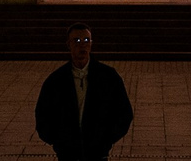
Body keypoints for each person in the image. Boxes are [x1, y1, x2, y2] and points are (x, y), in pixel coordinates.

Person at [34, 24, 133, 161]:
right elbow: (43, 115)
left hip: (98, 153)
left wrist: (105, 140)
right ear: (68, 44)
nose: (82, 45)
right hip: (67, 154)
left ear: (91, 44)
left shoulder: (108, 77)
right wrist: (59, 142)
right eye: (77, 41)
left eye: (86, 40)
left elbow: (124, 113)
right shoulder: (56, 80)